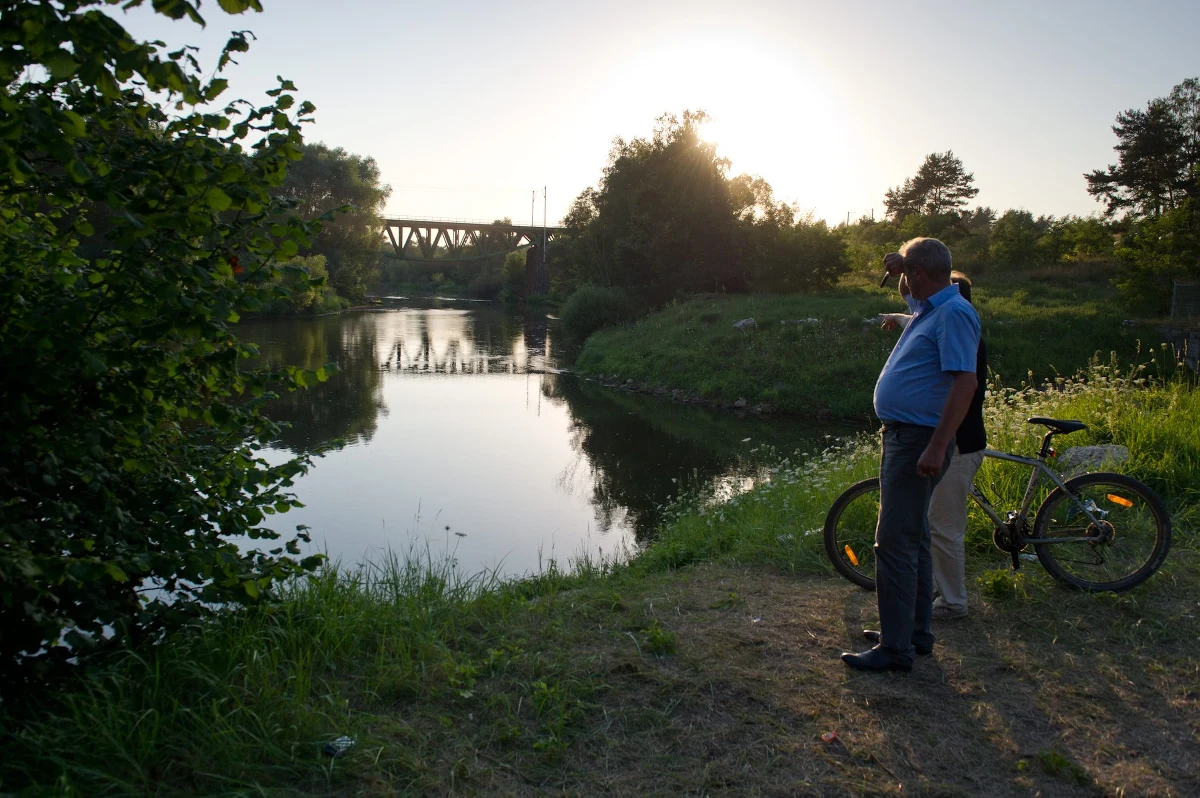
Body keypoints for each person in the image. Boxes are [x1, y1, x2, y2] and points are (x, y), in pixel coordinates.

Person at [841, 237, 980, 673]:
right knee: (915, 540)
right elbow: (909, 292)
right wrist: (903, 266)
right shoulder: (930, 307)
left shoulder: (954, 314)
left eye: (908, 274)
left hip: (918, 440)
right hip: (908, 437)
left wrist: (937, 445)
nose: (904, 284)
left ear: (921, 273)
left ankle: (895, 649)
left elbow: (965, 383)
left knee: (894, 544)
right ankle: (914, 634)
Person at [873, 271, 988, 621]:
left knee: (942, 528)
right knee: (925, 528)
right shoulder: (946, 320)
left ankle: (953, 602)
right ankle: (922, 609)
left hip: (957, 443)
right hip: (942, 440)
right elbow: (912, 307)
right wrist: (902, 277)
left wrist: (937, 446)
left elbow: (964, 386)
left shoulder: (957, 327)